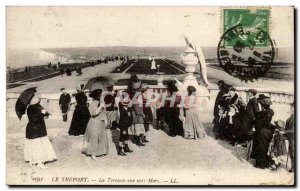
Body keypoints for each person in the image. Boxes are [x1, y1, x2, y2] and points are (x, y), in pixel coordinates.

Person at [24, 94, 57, 168]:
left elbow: (45, 115)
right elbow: (34, 119)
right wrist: (42, 114)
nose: (39, 100)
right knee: (37, 145)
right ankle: (38, 162)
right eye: (38, 99)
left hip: (35, 128)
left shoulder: (36, 107)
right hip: (35, 129)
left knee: (36, 144)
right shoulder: (32, 108)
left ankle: (33, 160)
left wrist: (45, 113)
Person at [82, 89, 108, 160]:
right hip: (94, 122)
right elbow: (93, 113)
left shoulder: (101, 102)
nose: (103, 96)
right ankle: (93, 153)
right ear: (98, 96)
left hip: (101, 122)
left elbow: (104, 113)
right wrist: (100, 107)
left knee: (101, 137)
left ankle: (99, 152)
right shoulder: (93, 103)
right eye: (102, 95)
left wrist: (105, 120)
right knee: (94, 138)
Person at [251, 97, 274, 169]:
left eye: (261, 105)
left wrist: (255, 122)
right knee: (264, 147)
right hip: (267, 132)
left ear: (263, 106)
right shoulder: (269, 112)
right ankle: (263, 163)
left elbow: (261, 123)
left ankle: (261, 164)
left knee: (261, 147)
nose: (261, 106)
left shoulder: (264, 113)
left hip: (262, 132)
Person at [285, 101, 294, 172]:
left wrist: (284, 132)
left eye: (292, 106)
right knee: (292, 152)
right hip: (291, 138)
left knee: (293, 152)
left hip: (294, 138)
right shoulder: (292, 115)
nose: (291, 107)